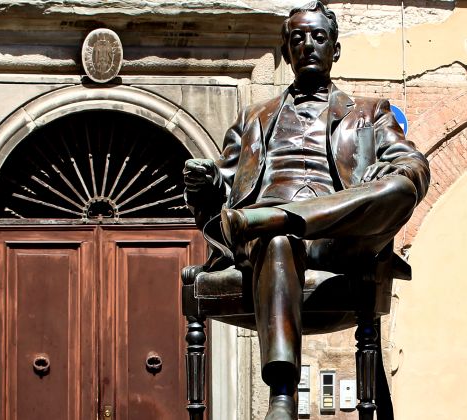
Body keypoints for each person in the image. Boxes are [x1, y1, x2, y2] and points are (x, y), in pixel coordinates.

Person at [183, 2, 430, 418]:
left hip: (340, 240)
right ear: (286, 51)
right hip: (265, 242)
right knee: (278, 238)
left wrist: (397, 169)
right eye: (297, 38)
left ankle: (274, 217)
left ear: (335, 49)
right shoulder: (252, 117)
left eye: (318, 37)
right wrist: (205, 184)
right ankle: (282, 397)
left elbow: (414, 166)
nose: (307, 45)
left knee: (400, 188)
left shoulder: (370, 112)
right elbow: (223, 189)